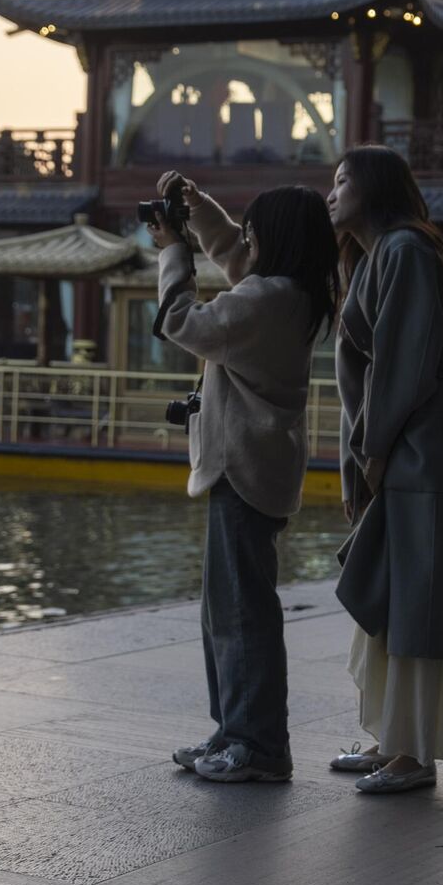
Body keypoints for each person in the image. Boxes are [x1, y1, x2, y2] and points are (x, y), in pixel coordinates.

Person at [149, 172, 339, 783]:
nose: (245, 239)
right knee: (227, 609)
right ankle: (235, 732)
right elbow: (235, 253)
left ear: (274, 240)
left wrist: (172, 251)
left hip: (243, 468)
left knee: (240, 614)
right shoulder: (290, 291)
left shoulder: (264, 299)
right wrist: (197, 208)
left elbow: (184, 323)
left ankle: (257, 746)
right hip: (256, 465)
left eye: (256, 231)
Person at [327, 144, 443, 795]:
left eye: (342, 181)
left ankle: (414, 754)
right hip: (398, 446)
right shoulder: (375, 256)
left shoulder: (405, 251)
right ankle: (393, 736)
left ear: (376, 187)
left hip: (415, 447)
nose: (330, 193)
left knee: (416, 597)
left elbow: (403, 364)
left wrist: (375, 452)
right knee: (392, 591)